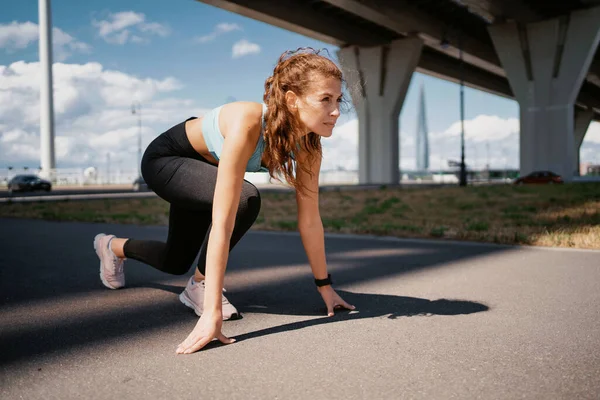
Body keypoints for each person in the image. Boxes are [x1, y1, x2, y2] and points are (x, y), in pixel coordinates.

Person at [93, 48, 355, 355]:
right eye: (326, 99)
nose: (336, 110)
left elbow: (310, 219)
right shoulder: (248, 122)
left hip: (202, 173)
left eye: (338, 100)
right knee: (245, 198)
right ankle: (200, 288)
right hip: (166, 161)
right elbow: (224, 219)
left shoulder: (310, 145)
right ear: (292, 100)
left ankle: (112, 246)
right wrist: (211, 313)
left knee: (174, 261)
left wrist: (325, 286)